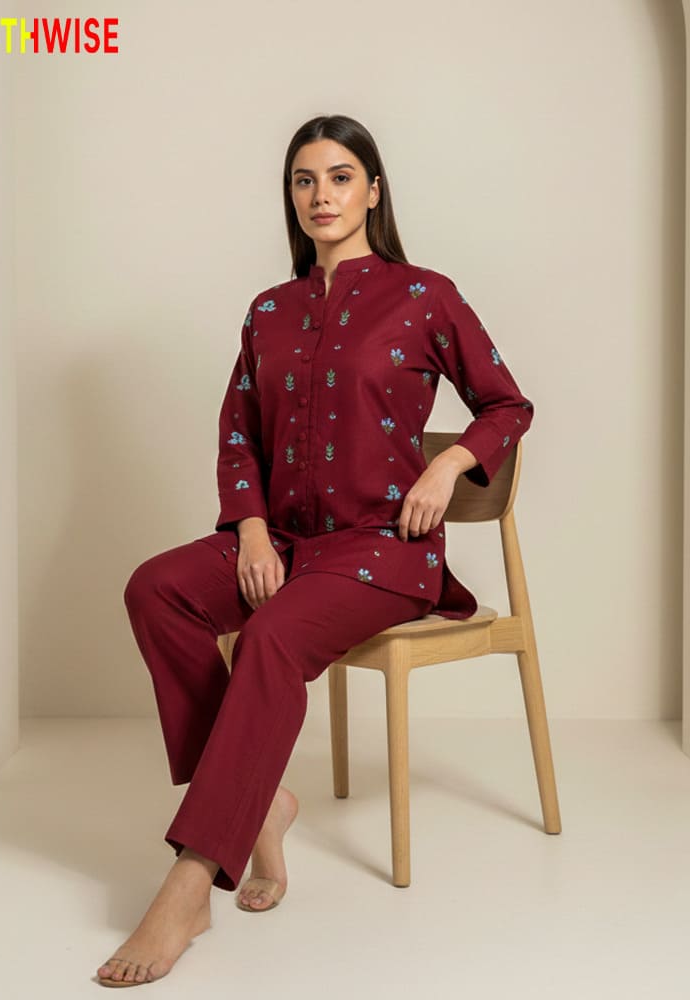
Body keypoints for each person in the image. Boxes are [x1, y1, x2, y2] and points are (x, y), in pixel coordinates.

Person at [95, 113, 534, 987]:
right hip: (286, 540)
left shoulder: (424, 295)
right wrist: (251, 528)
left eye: (339, 177)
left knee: (270, 638)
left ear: (373, 189)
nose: (321, 195)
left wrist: (447, 466)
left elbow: (506, 405)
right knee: (157, 590)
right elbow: (237, 435)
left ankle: (190, 881)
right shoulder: (270, 310)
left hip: (382, 553)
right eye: (304, 180)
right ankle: (260, 803)